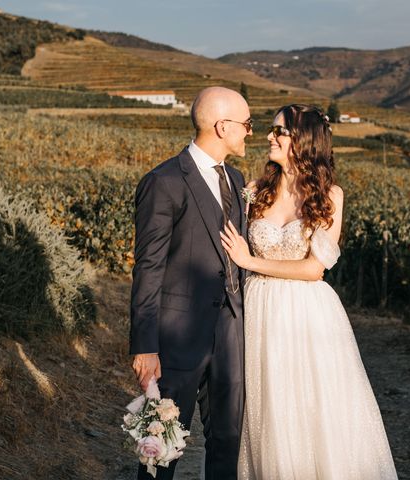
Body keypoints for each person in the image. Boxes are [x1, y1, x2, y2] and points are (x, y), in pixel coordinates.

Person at [221, 104, 398, 479]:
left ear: (303, 141)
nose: (269, 136)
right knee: (266, 408)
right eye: (272, 130)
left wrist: (250, 262)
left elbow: (313, 269)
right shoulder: (253, 191)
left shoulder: (331, 195)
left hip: (305, 313)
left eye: (279, 131)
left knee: (308, 407)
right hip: (259, 309)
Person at [130, 86, 252, 480]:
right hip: (177, 340)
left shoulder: (236, 179)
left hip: (230, 337)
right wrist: (145, 346)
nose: (251, 132)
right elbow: (148, 267)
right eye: (246, 124)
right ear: (222, 126)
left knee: (226, 444)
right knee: (161, 449)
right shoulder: (164, 181)